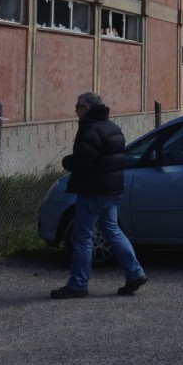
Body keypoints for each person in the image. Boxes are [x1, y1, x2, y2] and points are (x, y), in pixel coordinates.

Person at [50, 92, 147, 299]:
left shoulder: (89, 129)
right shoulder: (112, 128)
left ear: (87, 108)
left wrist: (68, 162)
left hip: (93, 190)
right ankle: (135, 273)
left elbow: (84, 163)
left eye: (78, 106)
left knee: (82, 236)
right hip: (111, 190)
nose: (75, 110)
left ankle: (78, 284)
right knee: (113, 231)